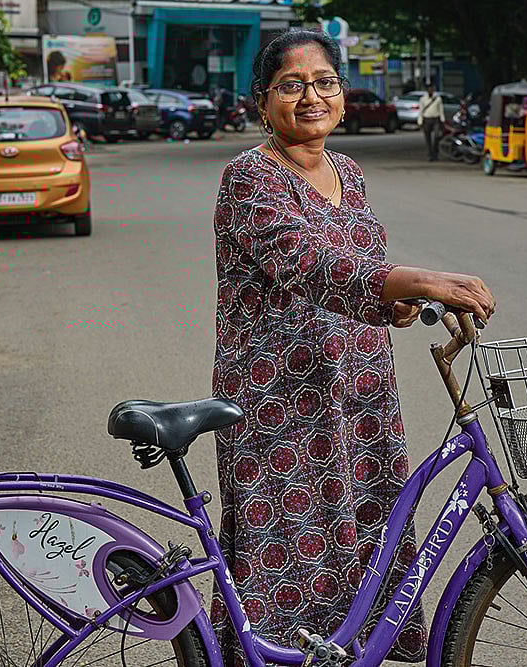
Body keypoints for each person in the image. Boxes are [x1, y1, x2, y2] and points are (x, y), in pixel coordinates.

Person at [210, 29, 496, 665]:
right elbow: (312, 265)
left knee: (371, 530)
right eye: (291, 84)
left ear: (341, 97)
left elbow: (357, 268)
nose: (311, 96)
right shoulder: (249, 176)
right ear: (262, 101)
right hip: (279, 399)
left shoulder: (349, 173)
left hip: (360, 389)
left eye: (325, 83)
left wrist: (393, 303)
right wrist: (422, 278)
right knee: (283, 548)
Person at [417, 82, 445, 161]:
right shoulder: (423, 99)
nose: (431, 90)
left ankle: (435, 152)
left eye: (432, 89)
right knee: (427, 138)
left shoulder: (438, 99)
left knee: (437, 136)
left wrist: (442, 120)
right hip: (427, 119)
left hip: (435, 119)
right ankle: (430, 154)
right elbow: (421, 111)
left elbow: (441, 110)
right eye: (429, 89)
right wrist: (420, 121)